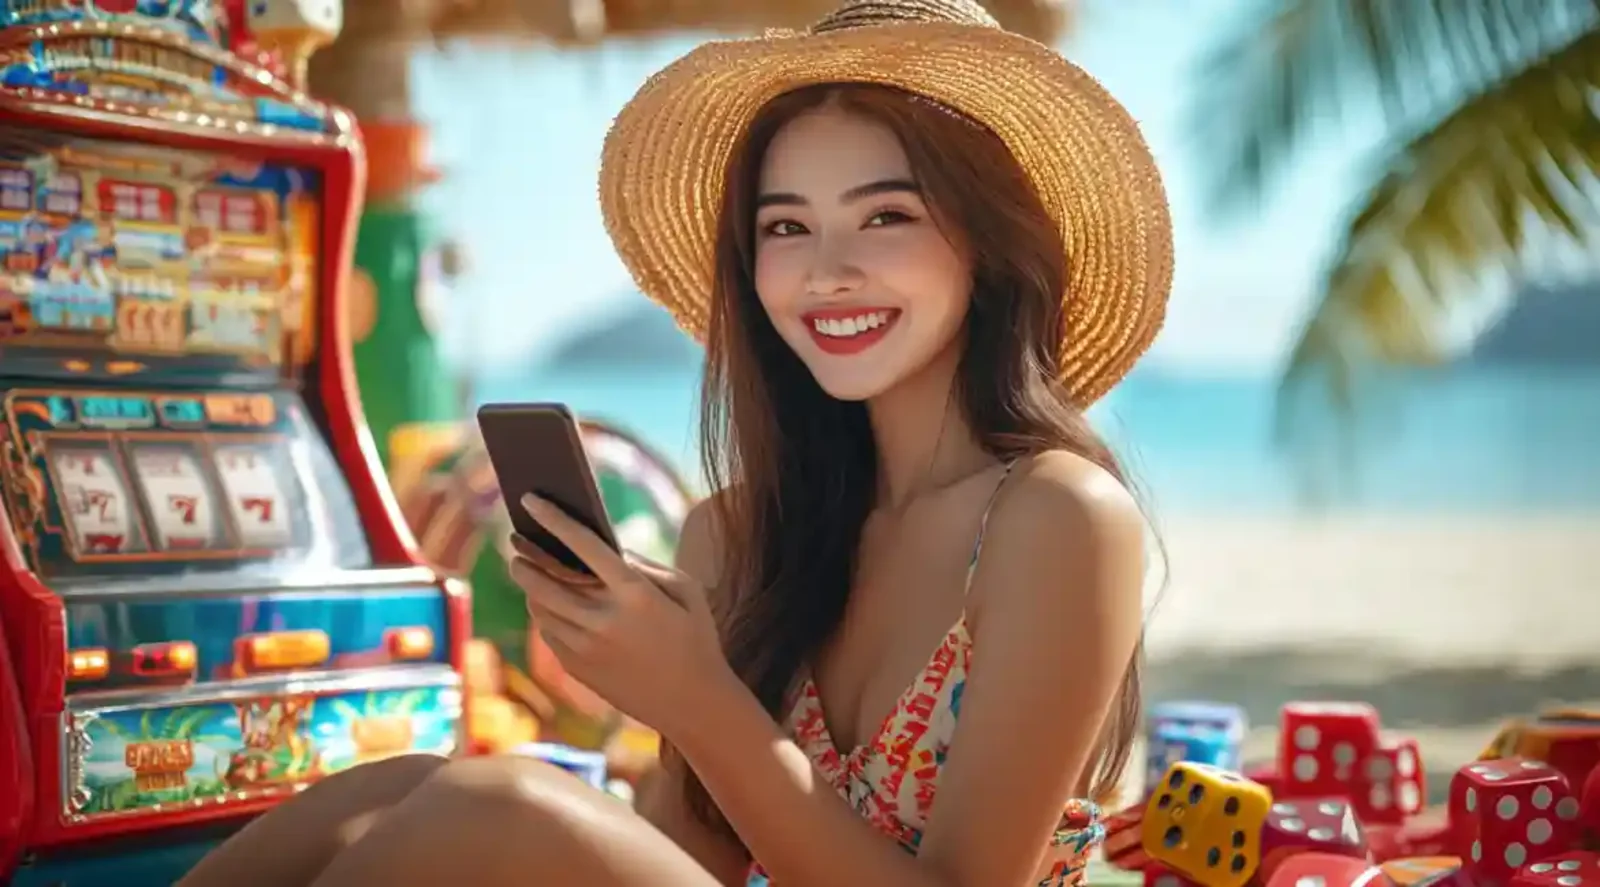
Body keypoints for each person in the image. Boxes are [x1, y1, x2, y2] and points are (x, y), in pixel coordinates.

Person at [177, 0, 1172, 884]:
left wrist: (695, 697)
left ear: (990, 245)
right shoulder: (739, 536)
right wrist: (646, 685)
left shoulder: (1056, 518)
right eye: (786, 227)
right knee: (389, 785)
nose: (827, 271)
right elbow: (687, 857)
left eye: (885, 216)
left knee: (501, 805)